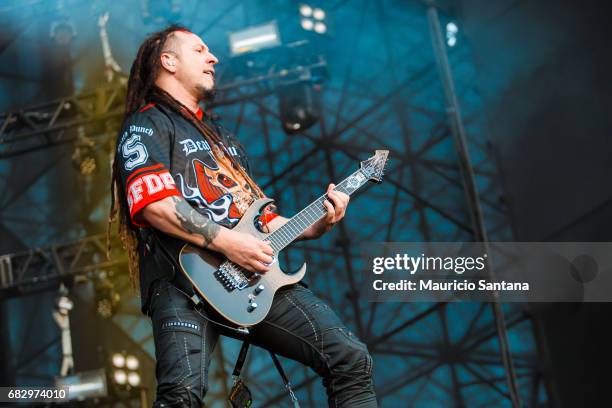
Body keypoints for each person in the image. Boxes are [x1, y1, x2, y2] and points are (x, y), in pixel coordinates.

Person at [108, 25, 377, 408]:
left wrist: (316, 224)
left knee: (349, 357)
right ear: (168, 61)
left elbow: (260, 222)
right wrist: (230, 243)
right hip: (180, 282)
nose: (213, 57)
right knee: (181, 396)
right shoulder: (147, 124)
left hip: (251, 281)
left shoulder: (224, 140)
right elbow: (155, 205)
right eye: (199, 50)